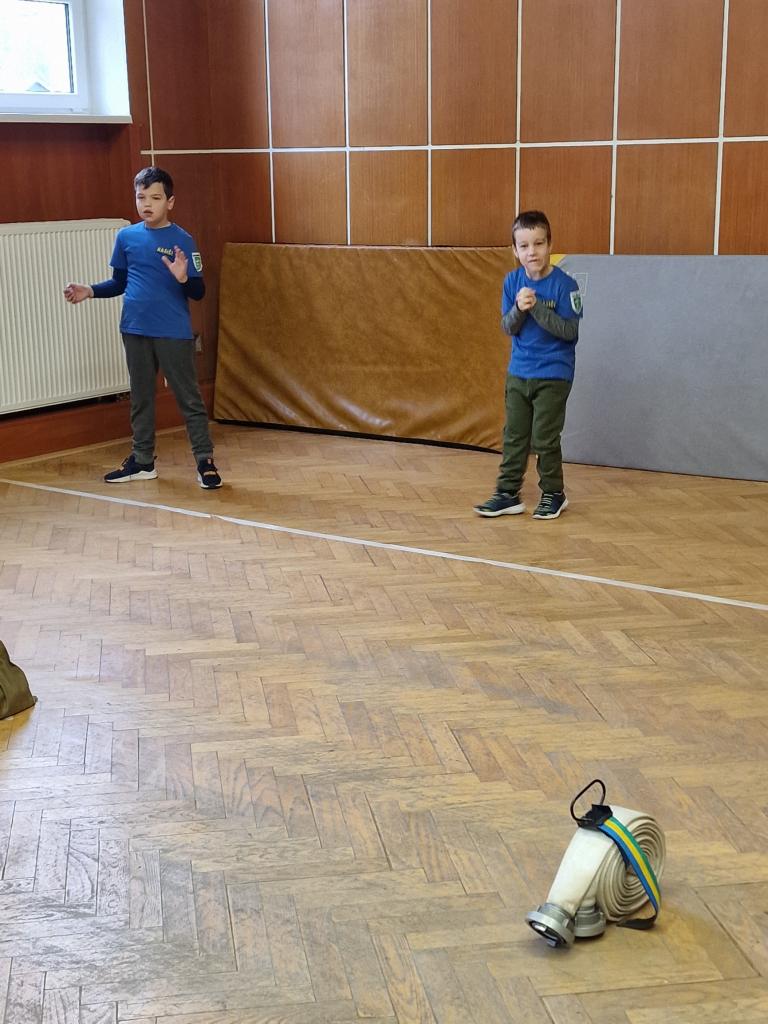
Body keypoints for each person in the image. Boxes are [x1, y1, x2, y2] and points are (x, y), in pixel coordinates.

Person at [64, 166, 222, 489]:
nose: (147, 204)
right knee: (141, 397)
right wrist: (89, 290)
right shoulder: (126, 237)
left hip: (172, 332)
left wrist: (184, 278)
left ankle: (204, 461)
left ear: (170, 202)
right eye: (141, 197)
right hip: (134, 328)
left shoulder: (183, 240)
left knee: (188, 398)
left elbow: (199, 292)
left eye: (155, 198)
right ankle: (143, 460)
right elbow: (119, 282)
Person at [474, 210, 582, 521]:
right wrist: (519, 309)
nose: (531, 252)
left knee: (544, 437)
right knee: (514, 435)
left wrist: (536, 309)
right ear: (515, 250)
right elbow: (507, 327)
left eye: (538, 243)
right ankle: (507, 494)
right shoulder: (512, 281)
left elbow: (570, 332)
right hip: (519, 372)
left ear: (550, 245)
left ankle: (554, 493)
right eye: (524, 246)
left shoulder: (566, 285)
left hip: (554, 374)